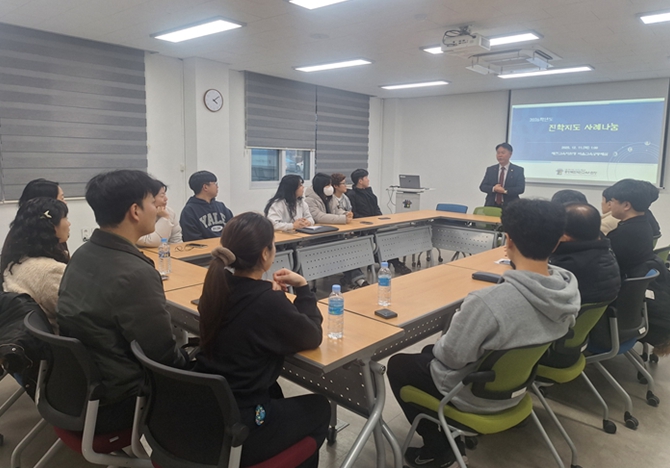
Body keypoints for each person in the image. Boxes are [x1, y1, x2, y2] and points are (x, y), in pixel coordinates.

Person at [388, 199, 580, 468]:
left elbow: (452, 357)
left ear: (508, 240)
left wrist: (443, 343)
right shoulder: (567, 291)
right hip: (517, 388)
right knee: (427, 354)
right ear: (557, 243)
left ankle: (438, 448)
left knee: (399, 364)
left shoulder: (488, 302)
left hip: (473, 396)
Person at [194, 212, 330, 467]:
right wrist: (302, 288)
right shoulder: (268, 301)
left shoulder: (215, 287)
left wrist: (273, 297)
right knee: (320, 407)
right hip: (241, 426)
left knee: (275, 392)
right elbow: (313, 335)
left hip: (206, 412)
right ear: (265, 254)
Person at [57, 170, 187, 432]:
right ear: (135, 211)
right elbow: (161, 356)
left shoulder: (84, 253)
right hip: (123, 400)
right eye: (152, 202)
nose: (158, 208)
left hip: (82, 388)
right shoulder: (135, 272)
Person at [2, 198, 70, 333]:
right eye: (65, 218)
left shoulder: (15, 263)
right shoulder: (50, 271)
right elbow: (75, 313)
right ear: (51, 226)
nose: (69, 223)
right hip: (56, 340)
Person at [549, 203, 620, 304]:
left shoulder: (564, 266)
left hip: (570, 312)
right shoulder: (607, 253)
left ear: (564, 237)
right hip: (600, 312)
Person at [348, 168, 412, 275]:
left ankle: (392, 261)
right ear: (360, 181)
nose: (368, 180)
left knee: (390, 233)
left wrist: (380, 219)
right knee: (383, 239)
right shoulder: (352, 195)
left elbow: (376, 207)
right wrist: (369, 221)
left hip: (375, 224)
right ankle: (396, 263)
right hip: (364, 228)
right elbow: (354, 214)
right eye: (366, 178)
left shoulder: (369, 192)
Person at [606, 179, 657, 278]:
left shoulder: (620, 234)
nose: (609, 205)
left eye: (612, 201)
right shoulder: (645, 224)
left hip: (622, 281)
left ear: (626, 205)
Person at [180, 171, 233, 241]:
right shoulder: (189, 211)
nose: (217, 187)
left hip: (225, 246)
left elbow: (233, 228)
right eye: (215, 184)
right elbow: (192, 238)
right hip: (204, 247)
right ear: (205, 187)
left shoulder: (221, 207)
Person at [136, 179, 183, 247]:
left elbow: (176, 240)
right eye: (162, 196)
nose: (166, 199)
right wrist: (164, 218)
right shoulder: (137, 214)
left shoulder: (169, 212)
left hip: (165, 252)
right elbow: (151, 242)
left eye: (165, 195)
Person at [479, 142, 525, 207]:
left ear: (510, 154)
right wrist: (494, 189)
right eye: (498, 153)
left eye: (503, 153)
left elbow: (520, 188)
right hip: (492, 204)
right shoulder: (491, 170)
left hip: (510, 205)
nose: (500, 155)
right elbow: (483, 186)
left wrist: (505, 190)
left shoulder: (518, 170)